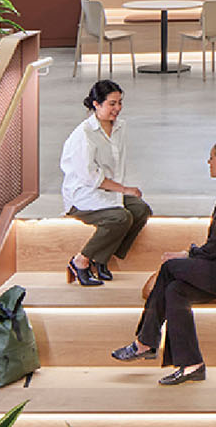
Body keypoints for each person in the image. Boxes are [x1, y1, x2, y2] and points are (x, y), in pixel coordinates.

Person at [111, 139, 216, 385]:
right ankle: (191, 365)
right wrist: (189, 255)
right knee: (176, 291)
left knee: (170, 267)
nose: (208, 162)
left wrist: (185, 254)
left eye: (212, 158)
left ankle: (145, 342)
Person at [60, 80, 152, 287]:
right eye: (112, 104)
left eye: (119, 103)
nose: (117, 108)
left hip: (108, 192)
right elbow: (90, 178)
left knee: (140, 209)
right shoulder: (83, 136)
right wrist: (125, 189)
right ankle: (81, 261)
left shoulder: (120, 127)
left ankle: (101, 258)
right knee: (120, 218)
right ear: (96, 104)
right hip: (83, 196)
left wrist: (122, 192)